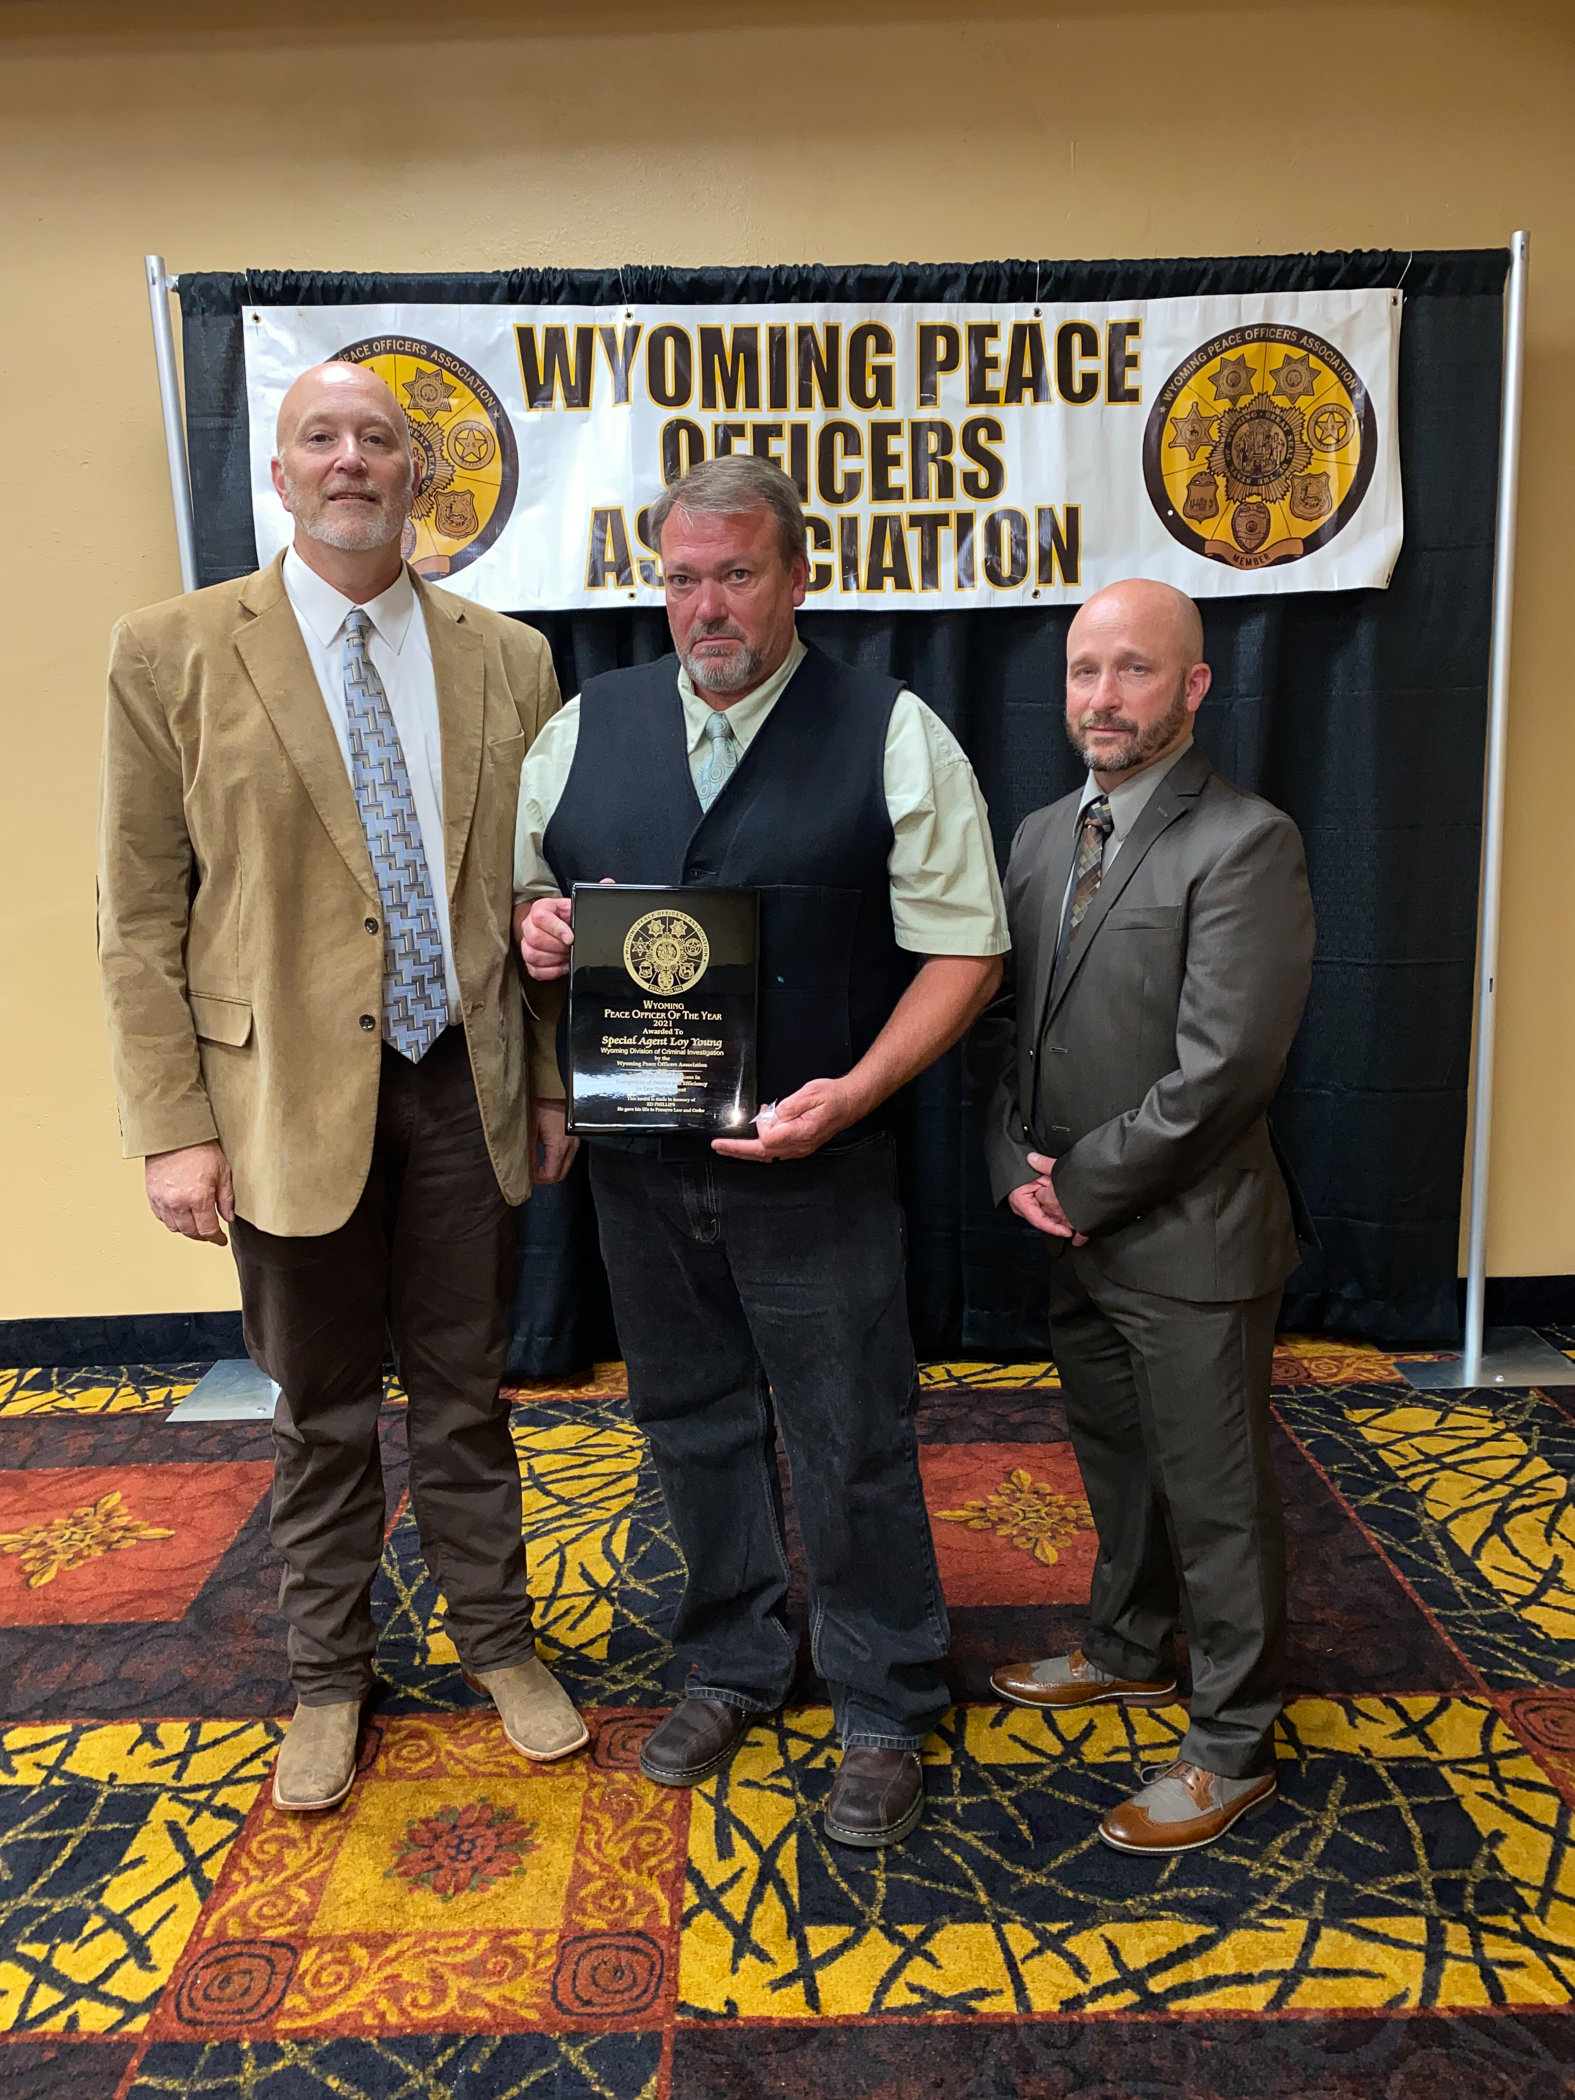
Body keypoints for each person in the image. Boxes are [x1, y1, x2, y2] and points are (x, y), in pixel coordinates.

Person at [97, 360, 587, 1814]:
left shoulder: (511, 658)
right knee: (317, 1412)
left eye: (379, 437)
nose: (351, 459)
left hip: (461, 1082)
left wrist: (548, 1083)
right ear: (281, 473)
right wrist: (172, 1128)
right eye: (321, 436)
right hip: (280, 1103)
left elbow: (535, 891)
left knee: (466, 1395)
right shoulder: (172, 650)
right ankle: (327, 1678)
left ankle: (496, 1644)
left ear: (418, 474)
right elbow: (138, 911)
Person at [515, 455, 1007, 1847]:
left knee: (851, 1436)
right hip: (641, 1169)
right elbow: (526, 895)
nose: (707, 606)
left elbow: (967, 951)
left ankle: (883, 1699)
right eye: (682, 578)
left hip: (818, 1164)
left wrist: (854, 1093)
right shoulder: (584, 726)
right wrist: (534, 927)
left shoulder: (893, 731)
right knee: (689, 1422)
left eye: (736, 574)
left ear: (799, 577)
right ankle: (734, 1662)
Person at [972, 578, 1314, 1856]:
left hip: (1192, 1238)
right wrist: (1011, 1160)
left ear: (1195, 686)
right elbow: (1005, 1023)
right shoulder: (1040, 835)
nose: (1102, 697)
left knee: (1216, 1501)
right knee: (1117, 1463)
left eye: (1133, 669)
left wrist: (1080, 1182)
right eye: (1084, 670)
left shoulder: (1246, 842)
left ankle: (1232, 1742)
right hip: (1074, 1231)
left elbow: (1225, 1071)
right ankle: (1126, 1646)